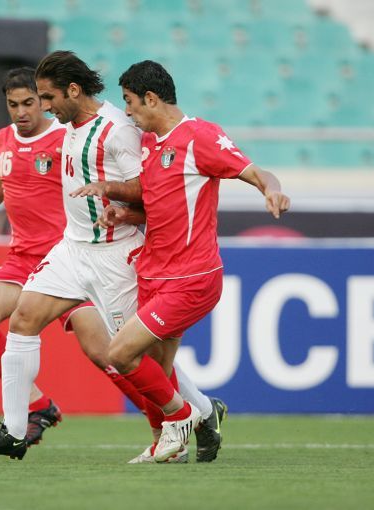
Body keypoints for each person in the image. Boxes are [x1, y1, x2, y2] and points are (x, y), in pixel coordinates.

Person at [0, 53, 225, 463]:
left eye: (47, 98)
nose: (44, 107)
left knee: (135, 355)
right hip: (72, 248)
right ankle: (15, 430)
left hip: (115, 254)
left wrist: (110, 193)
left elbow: (147, 188)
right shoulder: (67, 125)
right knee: (24, 318)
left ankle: (192, 419)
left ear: (73, 91)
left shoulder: (118, 129)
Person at [76, 59, 289, 462]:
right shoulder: (150, 143)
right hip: (154, 272)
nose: (127, 112)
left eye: (130, 101)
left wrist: (272, 191)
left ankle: (188, 416)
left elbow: (256, 172)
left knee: (120, 354)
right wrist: (123, 211)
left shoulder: (200, 136)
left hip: (192, 277)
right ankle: (185, 433)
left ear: (151, 98)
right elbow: (157, 204)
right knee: (157, 368)